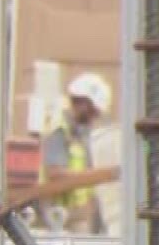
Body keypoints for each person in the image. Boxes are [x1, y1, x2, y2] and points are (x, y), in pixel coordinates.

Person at [41, 74, 110, 233]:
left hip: (80, 215)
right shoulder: (60, 132)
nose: (94, 118)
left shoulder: (84, 135)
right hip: (60, 216)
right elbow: (55, 174)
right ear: (85, 105)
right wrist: (102, 175)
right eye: (93, 112)